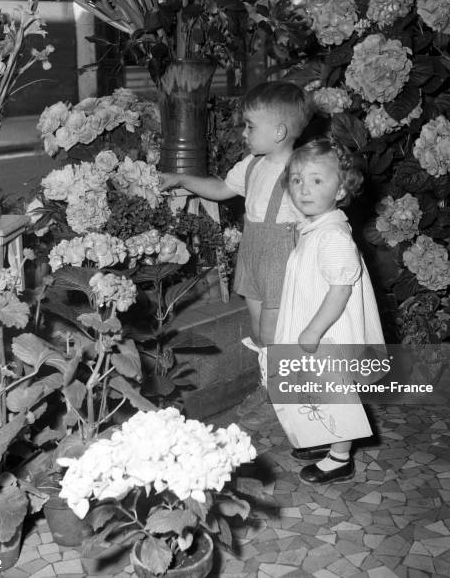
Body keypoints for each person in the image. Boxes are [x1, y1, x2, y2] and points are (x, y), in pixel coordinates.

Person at [159, 81, 311, 349]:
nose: (244, 133)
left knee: (274, 332)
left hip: (282, 259)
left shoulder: (300, 171)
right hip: (252, 252)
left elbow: (314, 219)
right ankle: (269, 374)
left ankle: (287, 380)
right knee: (257, 324)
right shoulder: (252, 164)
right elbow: (221, 188)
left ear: (279, 132)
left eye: (250, 126)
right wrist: (181, 179)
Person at [272, 138, 385, 485]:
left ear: (340, 191)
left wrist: (313, 331)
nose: (303, 189)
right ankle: (322, 438)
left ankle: (340, 457)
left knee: (335, 393)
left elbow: (340, 291)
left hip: (327, 331)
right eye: (296, 180)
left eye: (317, 181)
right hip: (316, 326)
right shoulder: (317, 226)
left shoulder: (333, 235)